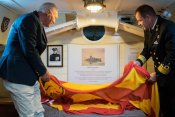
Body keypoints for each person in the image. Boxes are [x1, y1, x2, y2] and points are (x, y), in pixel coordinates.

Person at [0, 2, 58, 117]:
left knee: (38, 110)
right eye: (55, 17)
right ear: (49, 13)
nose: (55, 21)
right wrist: (43, 71)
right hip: (18, 75)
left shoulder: (36, 22)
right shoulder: (29, 20)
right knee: (29, 114)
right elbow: (29, 49)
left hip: (29, 77)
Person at [134, 4, 175, 117]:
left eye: (140, 20)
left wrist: (157, 74)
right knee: (162, 106)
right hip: (161, 77)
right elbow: (147, 49)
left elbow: (172, 55)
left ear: (148, 17)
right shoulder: (148, 30)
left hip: (171, 77)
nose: (139, 24)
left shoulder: (168, 27)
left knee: (171, 108)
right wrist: (138, 62)